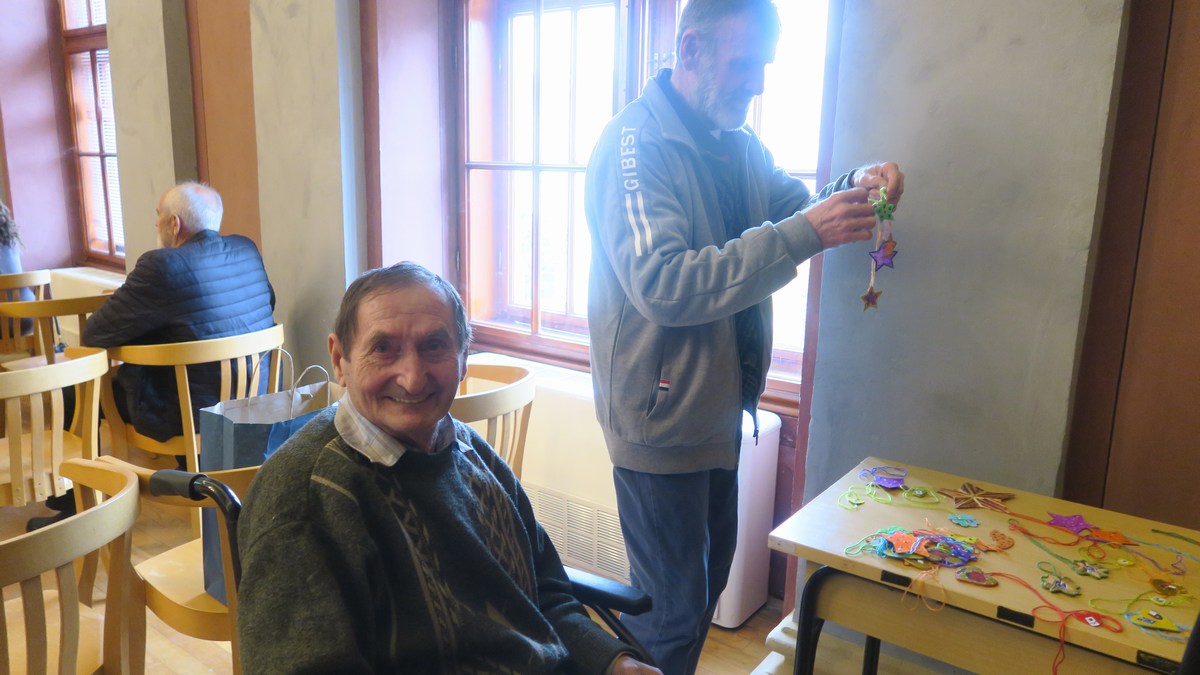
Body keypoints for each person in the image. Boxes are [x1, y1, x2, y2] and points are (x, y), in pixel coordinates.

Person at [584, 1, 905, 672]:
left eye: (764, 66)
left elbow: (798, 209)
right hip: (658, 423)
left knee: (697, 595)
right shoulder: (634, 144)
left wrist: (855, 187)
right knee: (670, 615)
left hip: (717, 413)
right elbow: (662, 284)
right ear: (690, 50)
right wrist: (804, 232)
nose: (756, 84)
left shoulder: (736, 142)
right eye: (744, 65)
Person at [236, 262, 660, 674]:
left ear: (463, 357)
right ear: (339, 358)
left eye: (434, 346)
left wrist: (613, 661)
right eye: (382, 349)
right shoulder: (304, 500)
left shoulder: (468, 449)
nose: (412, 378)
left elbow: (546, 593)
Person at [27, 181, 275, 531]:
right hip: (253, 400)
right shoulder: (245, 250)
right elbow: (265, 304)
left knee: (74, 392)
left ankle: (78, 506)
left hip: (188, 415)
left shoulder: (162, 266)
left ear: (174, 224)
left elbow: (95, 332)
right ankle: (191, 474)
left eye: (158, 216)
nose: (155, 223)